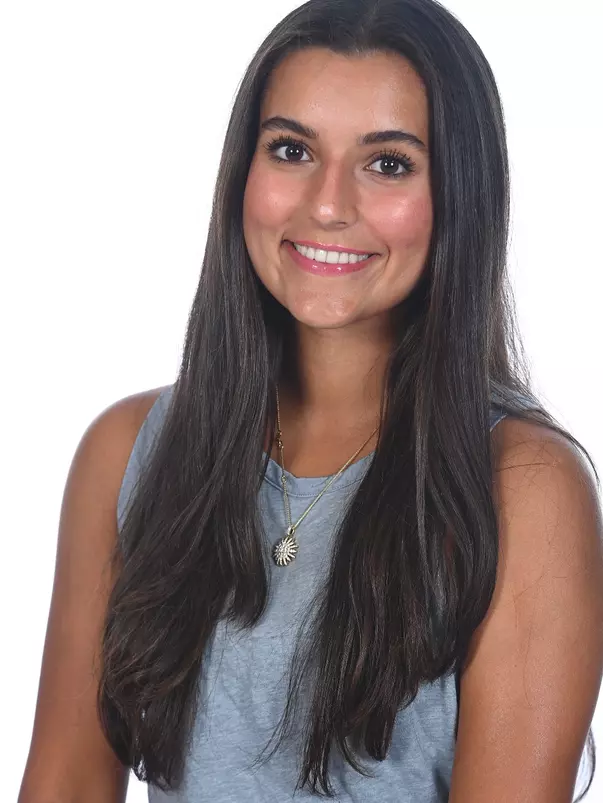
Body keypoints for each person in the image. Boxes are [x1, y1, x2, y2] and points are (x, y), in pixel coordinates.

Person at [18, 0, 603, 801]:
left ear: (458, 194)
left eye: (387, 163)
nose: (327, 204)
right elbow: (64, 783)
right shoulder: (128, 450)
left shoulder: (522, 486)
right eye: (291, 150)